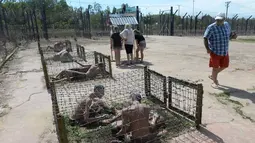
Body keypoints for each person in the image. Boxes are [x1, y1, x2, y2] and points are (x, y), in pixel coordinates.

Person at [203, 12, 237, 87]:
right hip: (215, 51)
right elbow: (205, 38)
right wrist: (207, 48)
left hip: (224, 51)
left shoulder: (227, 25)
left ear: (224, 19)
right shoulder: (211, 27)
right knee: (215, 68)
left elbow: (228, 36)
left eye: (220, 20)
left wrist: (233, 37)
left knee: (225, 66)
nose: (218, 21)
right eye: (217, 20)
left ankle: (213, 75)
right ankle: (215, 81)